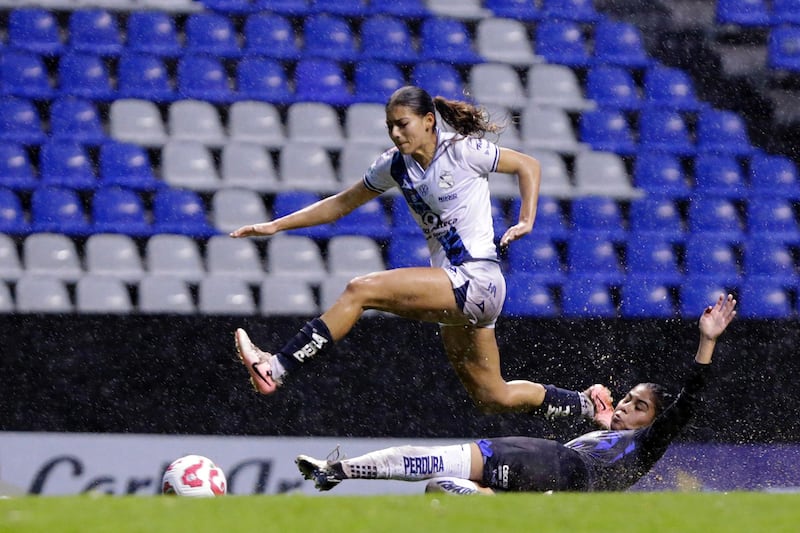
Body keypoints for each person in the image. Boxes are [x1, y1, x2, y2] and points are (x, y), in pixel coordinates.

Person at [230, 85, 611, 425]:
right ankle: (590, 407)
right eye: (390, 126)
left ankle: (276, 366)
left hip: (476, 280)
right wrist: (275, 226)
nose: (396, 133)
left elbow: (528, 165)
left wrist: (526, 219)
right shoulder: (395, 165)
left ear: (429, 121)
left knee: (359, 291)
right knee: (492, 397)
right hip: (464, 292)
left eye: (403, 124)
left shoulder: (462, 150)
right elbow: (342, 204)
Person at [296, 294, 737, 494]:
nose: (624, 407)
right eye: (626, 398)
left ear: (654, 424)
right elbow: (602, 438)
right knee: (441, 490)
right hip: (557, 489)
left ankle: (338, 470)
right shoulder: (611, 446)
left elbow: (687, 406)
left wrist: (707, 341)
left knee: (446, 462)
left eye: (638, 407)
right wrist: (595, 414)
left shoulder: (646, 445)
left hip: (556, 467)